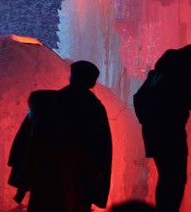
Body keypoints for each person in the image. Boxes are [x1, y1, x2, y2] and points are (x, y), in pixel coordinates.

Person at [8, 61, 113, 212]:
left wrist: (25, 175)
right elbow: (101, 148)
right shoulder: (94, 108)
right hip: (80, 173)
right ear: (92, 82)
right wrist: (98, 180)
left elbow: (31, 141)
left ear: (72, 77)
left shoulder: (48, 103)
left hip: (46, 171)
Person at [133, 44, 191, 212]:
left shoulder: (157, 74)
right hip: (171, 134)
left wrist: (147, 122)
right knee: (176, 179)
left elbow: (138, 98)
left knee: (166, 176)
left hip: (154, 135)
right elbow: (184, 100)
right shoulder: (183, 73)